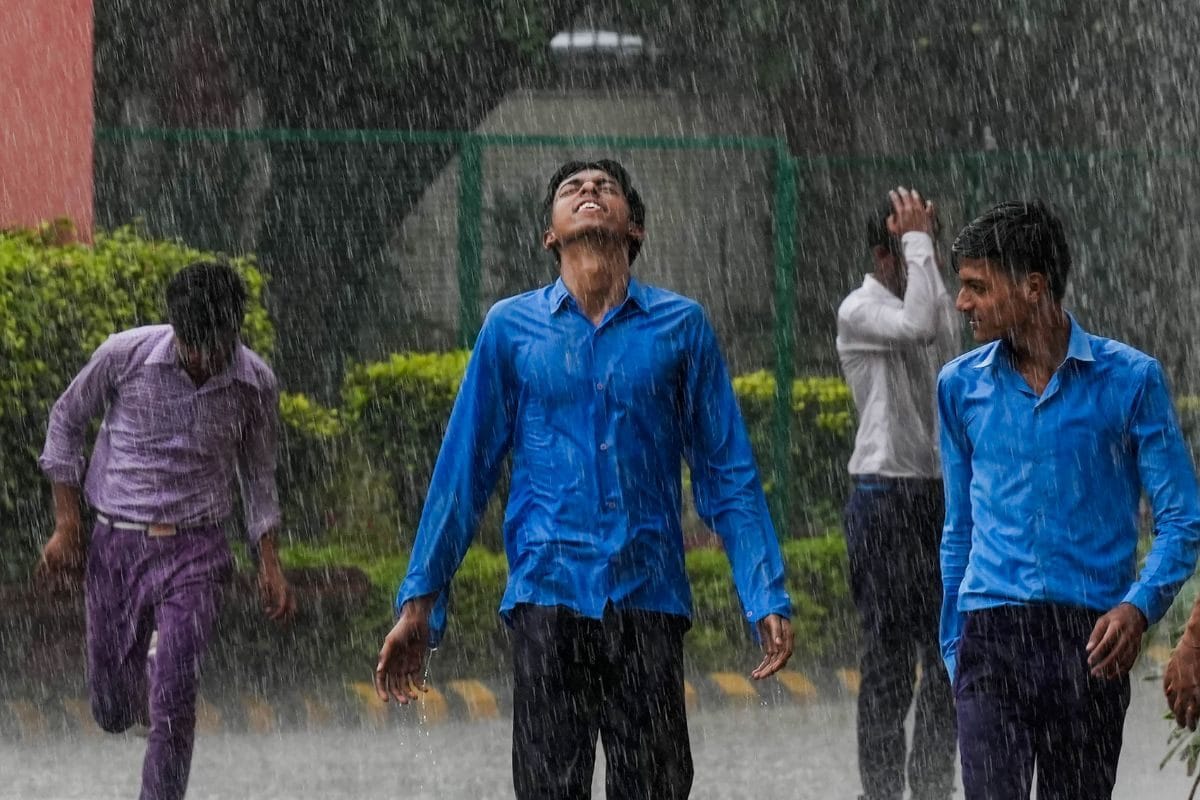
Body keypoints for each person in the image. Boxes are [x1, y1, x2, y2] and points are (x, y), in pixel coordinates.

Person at [374, 159, 795, 799]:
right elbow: (462, 473)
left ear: (636, 228)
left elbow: (727, 472)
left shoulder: (682, 328)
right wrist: (420, 601)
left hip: (648, 596)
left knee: (656, 786)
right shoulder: (510, 330)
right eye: (573, 188)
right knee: (547, 788)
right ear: (550, 234)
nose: (590, 190)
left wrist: (763, 591)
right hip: (548, 595)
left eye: (607, 186)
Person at [938, 200, 1200, 799]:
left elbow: (1182, 518)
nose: (962, 303)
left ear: (1033, 287)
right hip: (990, 636)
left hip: (1092, 643)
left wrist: (1138, 608)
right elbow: (959, 529)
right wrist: (955, 645)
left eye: (978, 286)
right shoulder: (958, 386)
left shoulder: (1131, 381)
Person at [36, 261, 296, 800]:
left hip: (198, 549)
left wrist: (268, 561)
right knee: (110, 711)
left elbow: (259, 473)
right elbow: (65, 420)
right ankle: (148, 678)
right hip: (117, 543)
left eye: (216, 346)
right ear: (175, 328)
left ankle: (166, 693)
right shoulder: (124, 355)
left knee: (176, 700)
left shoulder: (254, 385)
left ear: (235, 330)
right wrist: (67, 524)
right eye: (192, 344)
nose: (203, 359)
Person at [836, 187, 959, 800]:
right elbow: (917, 326)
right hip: (884, 499)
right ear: (882, 255)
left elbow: (943, 336)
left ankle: (934, 787)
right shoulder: (858, 308)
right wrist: (917, 242)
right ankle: (880, 792)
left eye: (924, 249)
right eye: (905, 250)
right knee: (887, 659)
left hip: (938, 496)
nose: (914, 260)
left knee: (946, 656)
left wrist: (924, 249)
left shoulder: (929, 290)